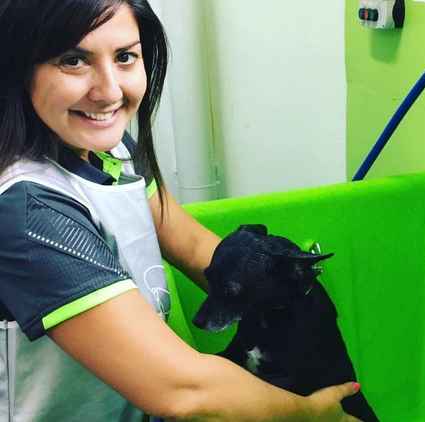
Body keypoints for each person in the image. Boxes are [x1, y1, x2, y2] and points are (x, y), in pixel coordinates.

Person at [0, 1, 362, 421]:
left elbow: (190, 243)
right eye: (73, 60)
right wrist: (316, 415)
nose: (111, 91)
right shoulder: (29, 211)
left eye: (125, 57)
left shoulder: (110, 151)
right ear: (19, 65)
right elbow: (186, 393)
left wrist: (286, 292)